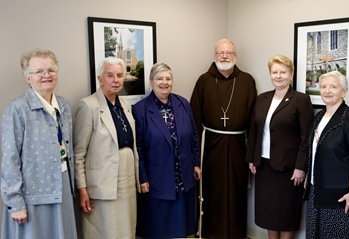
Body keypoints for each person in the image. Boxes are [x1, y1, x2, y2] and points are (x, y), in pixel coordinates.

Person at [1, 49, 77, 239]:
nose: (46, 75)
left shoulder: (64, 106)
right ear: (28, 77)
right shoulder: (17, 110)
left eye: (51, 70)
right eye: (39, 71)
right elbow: (9, 160)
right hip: (33, 194)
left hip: (63, 189)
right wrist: (15, 203)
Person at [190, 39, 257, 238]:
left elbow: (255, 120)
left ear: (235, 56)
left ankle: (236, 233)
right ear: (214, 55)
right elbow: (194, 119)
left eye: (229, 53)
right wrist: (195, 158)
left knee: (236, 192)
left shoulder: (247, 80)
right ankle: (211, 233)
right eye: (220, 53)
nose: (224, 56)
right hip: (210, 145)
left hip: (238, 146)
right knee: (213, 192)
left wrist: (252, 153)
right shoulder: (204, 80)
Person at [247, 54, 313, 239]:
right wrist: (252, 158)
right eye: (274, 72)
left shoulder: (300, 100)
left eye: (283, 72)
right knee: (269, 212)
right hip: (265, 166)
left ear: (290, 74)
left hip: (289, 168)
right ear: (270, 74)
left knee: (286, 213)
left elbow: (306, 137)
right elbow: (253, 131)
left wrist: (301, 167)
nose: (278, 76)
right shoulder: (262, 98)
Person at [133, 63, 201, 238]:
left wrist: (196, 163)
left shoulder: (183, 103)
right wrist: (142, 176)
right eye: (159, 78)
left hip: (183, 173)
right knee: (159, 227)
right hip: (157, 177)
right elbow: (138, 148)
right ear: (151, 81)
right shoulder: (140, 110)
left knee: (183, 226)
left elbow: (194, 136)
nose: (164, 82)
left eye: (168, 78)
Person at [74, 57, 139, 239]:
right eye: (110, 75)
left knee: (126, 229)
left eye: (119, 75)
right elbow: (79, 154)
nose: (116, 80)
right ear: (100, 79)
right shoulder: (88, 106)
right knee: (106, 231)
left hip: (126, 180)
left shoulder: (125, 105)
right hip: (101, 184)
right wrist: (83, 190)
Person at [304, 71, 349, 239]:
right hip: (318, 190)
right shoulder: (319, 116)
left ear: (344, 91)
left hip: (343, 196)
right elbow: (315, 150)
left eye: (333, 87)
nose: (327, 91)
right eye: (323, 86)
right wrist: (309, 174)